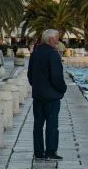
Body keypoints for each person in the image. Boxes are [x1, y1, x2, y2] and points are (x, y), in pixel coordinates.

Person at [27, 29, 67, 160]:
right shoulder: (53, 54)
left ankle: (38, 152)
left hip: (38, 95)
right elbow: (56, 76)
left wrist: (37, 87)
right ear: (50, 40)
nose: (58, 41)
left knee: (38, 125)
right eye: (57, 38)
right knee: (52, 125)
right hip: (51, 96)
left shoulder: (35, 53)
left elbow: (30, 75)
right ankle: (50, 151)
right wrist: (62, 89)